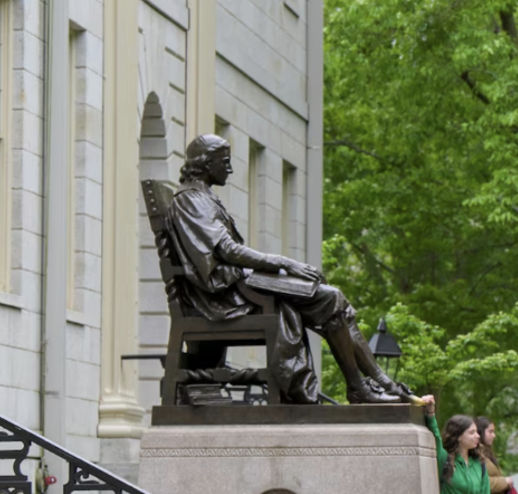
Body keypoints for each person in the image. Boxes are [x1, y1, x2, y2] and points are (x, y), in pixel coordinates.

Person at [165, 134, 408, 404]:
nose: (230, 169)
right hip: (223, 298)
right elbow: (228, 250)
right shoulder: (192, 199)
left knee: (334, 301)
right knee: (331, 298)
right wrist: (285, 263)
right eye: (225, 162)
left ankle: (378, 384)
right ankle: (362, 387)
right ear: (206, 163)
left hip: (236, 287)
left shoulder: (202, 197)